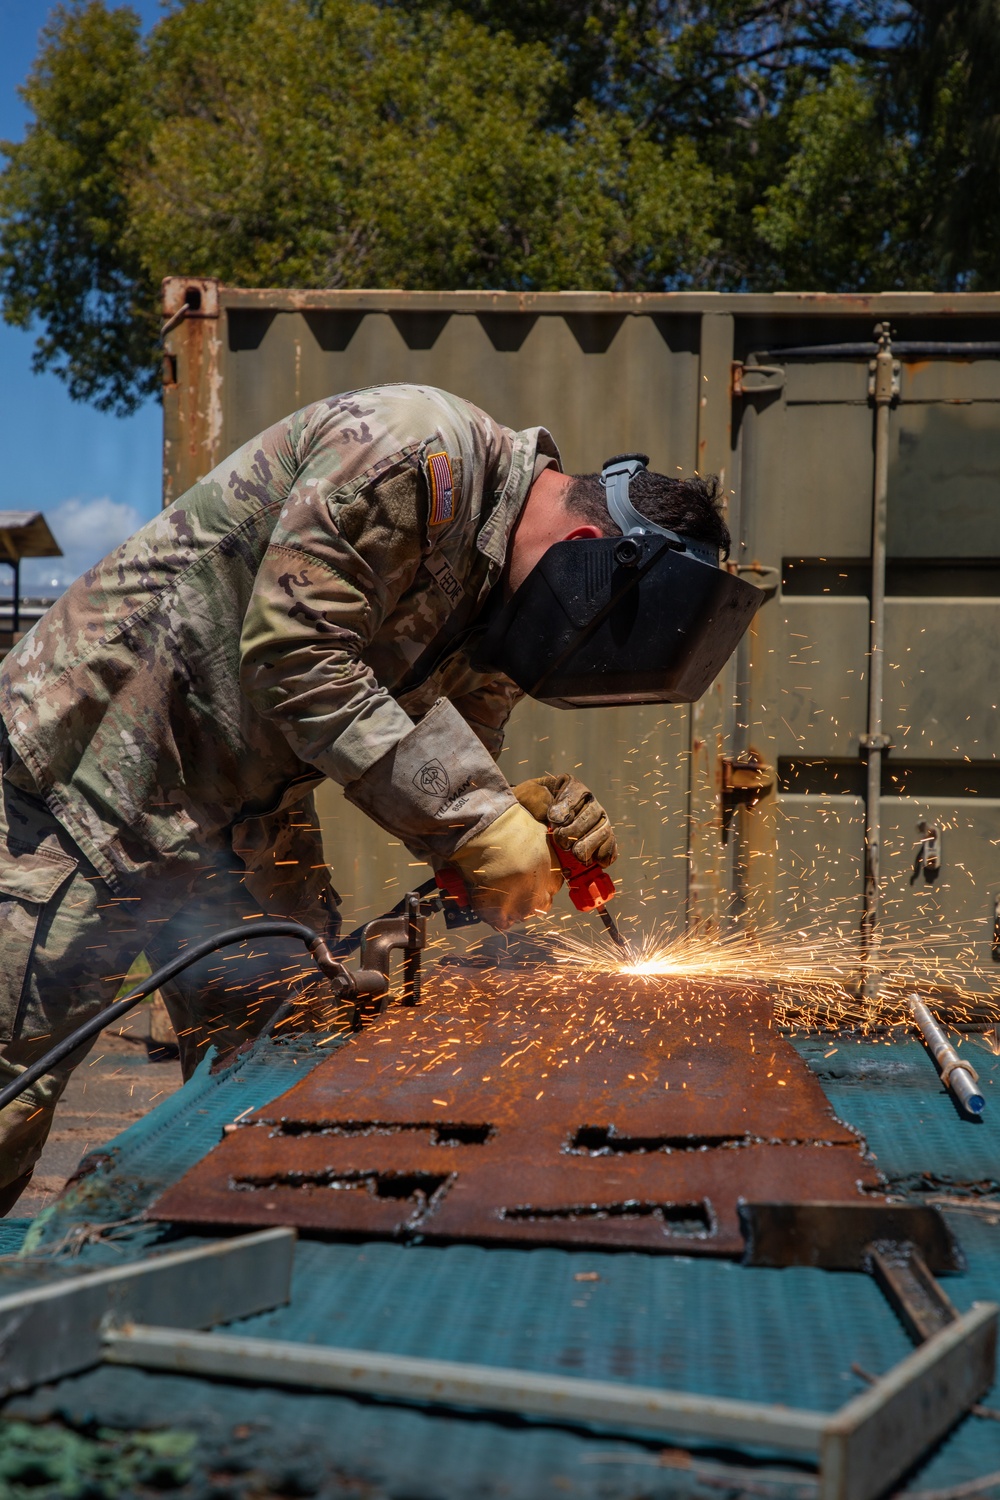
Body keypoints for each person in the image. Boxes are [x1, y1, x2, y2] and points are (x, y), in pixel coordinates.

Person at [0, 384, 730, 1208]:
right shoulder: (414, 455)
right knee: (6, 1097)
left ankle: (204, 1284)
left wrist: (508, 816)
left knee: (291, 1064)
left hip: (238, 822)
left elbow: (449, 761)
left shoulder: (505, 600)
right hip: (90, 785)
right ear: (590, 549)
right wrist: (474, 821)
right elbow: (295, 656)